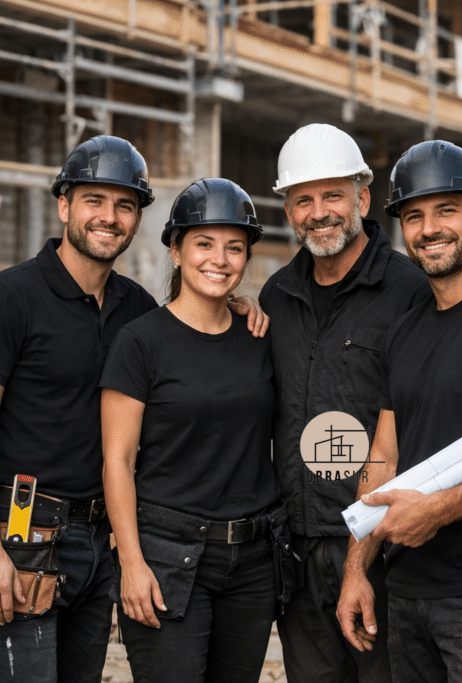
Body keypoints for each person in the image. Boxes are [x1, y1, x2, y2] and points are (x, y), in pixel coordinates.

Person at [0, 137, 266, 683]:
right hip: (23, 534)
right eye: (94, 200)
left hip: (102, 542)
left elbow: (190, 327)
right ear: (64, 205)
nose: (109, 217)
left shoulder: (136, 310)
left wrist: (235, 303)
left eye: (125, 205)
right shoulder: (13, 297)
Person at [258, 123, 431, 683]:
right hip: (298, 551)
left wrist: (367, 551)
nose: (318, 212)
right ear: (287, 209)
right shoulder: (275, 297)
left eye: (333, 195)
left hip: (382, 550)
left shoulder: (410, 292)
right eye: (302, 199)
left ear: (362, 196)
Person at [100, 178, 284, 683]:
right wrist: (132, 564)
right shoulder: (140, 342)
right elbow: (118, 461)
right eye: (204, 243)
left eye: (234, 248)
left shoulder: (258, 337)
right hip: (168, 557)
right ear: (177, 251)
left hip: (252, 561)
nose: (219, 260)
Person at [338, 140, 462, 683]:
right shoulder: (404, 331)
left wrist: (439, 509)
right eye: (414, 216)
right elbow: (383, 457)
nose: (429, 228)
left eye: (446, 210)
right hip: (407, 594)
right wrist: (355, 569)